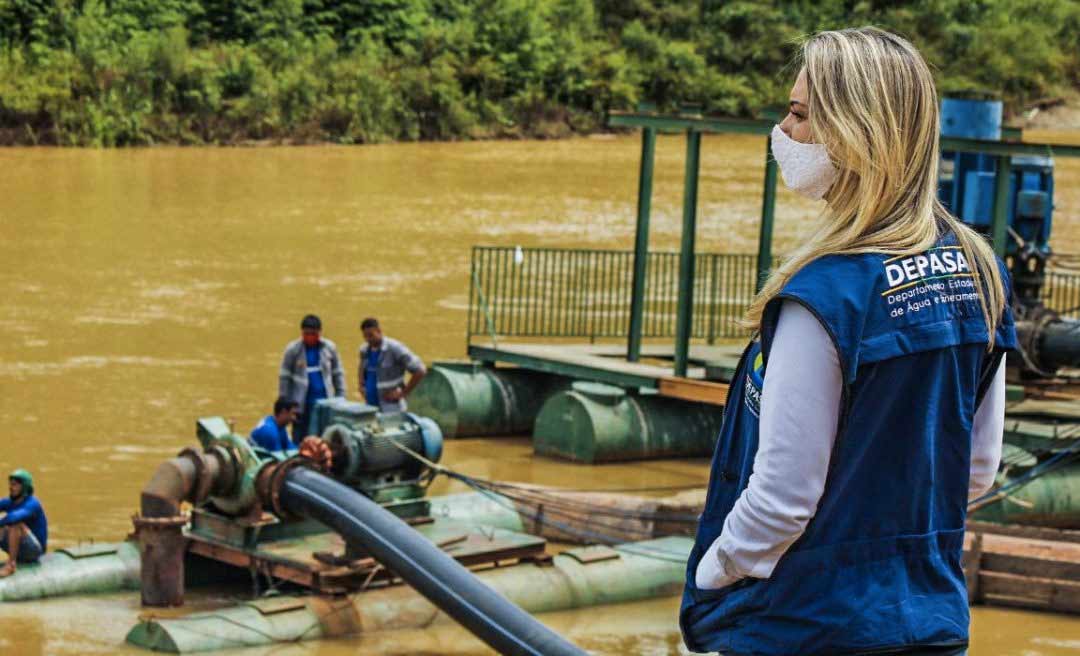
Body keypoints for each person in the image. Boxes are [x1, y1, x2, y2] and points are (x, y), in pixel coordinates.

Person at [680, 28, 1016, 656]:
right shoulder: (978, 270)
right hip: (928, 619)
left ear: (857, 132)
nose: (784, 131)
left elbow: (781, 500)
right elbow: (974, 469)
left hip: (804, 626)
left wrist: (712, 572)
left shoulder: (824, 296)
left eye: (800, 115)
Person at [279, 314, 346, 440]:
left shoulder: (329, 348)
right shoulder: (293, 350)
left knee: (325, 437)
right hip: (301, 406)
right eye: (306, 334)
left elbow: (338, 374)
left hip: (326, 404)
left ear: (320, 333)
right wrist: (285, 405)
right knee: (300, 437)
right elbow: (284, 378)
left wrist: (341, 398)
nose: (310, 337)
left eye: (313, 334)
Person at [358, 317, 426, 413]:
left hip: (392, 407)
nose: (368, 339)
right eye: (365, 336)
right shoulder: (364, 350)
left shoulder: (395, 348)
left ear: (379, 331)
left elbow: (420, 370)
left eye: (371, 335)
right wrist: (361, 385)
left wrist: (403, 393)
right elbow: (362, 367)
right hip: (370, 407)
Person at [0, 469, 48, 577]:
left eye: (15, 485)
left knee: (15, 524)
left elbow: (14, 517)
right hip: (19, 550)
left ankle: (11, 566)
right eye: (10, 484)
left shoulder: (33, 504)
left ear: (25, 488)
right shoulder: (8, 502)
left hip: (34, 551)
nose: (11, 487)